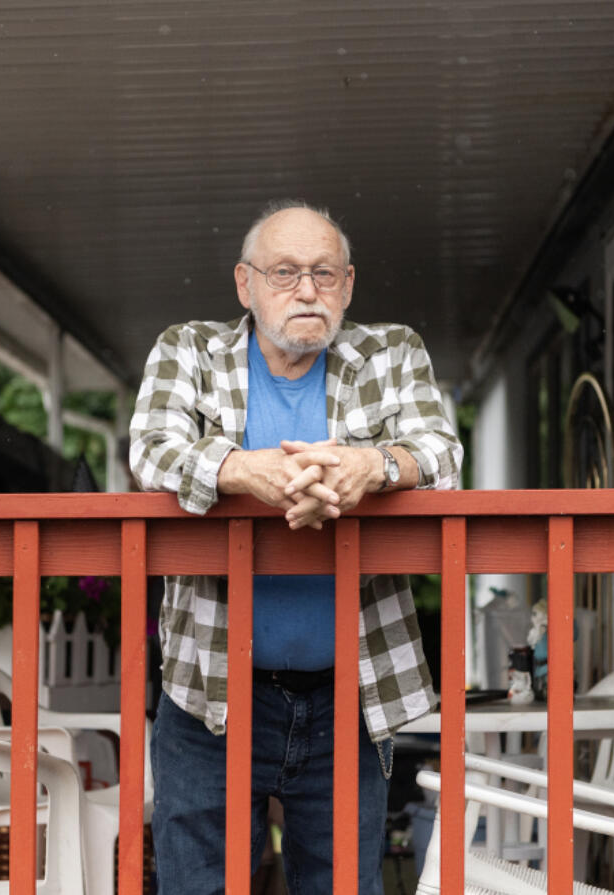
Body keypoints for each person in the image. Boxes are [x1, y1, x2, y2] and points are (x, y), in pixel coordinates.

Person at [129, 199, 463, 895]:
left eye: (323, 272)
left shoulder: (392, 352)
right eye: (284, 272)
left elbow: (441, 453)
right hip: (209, 694)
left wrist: (370, 467)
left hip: (350, 693)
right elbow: (152, 450)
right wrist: (246, 471)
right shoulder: (188, 348)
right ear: (245, 285)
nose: (306, 289)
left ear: (348, 284)